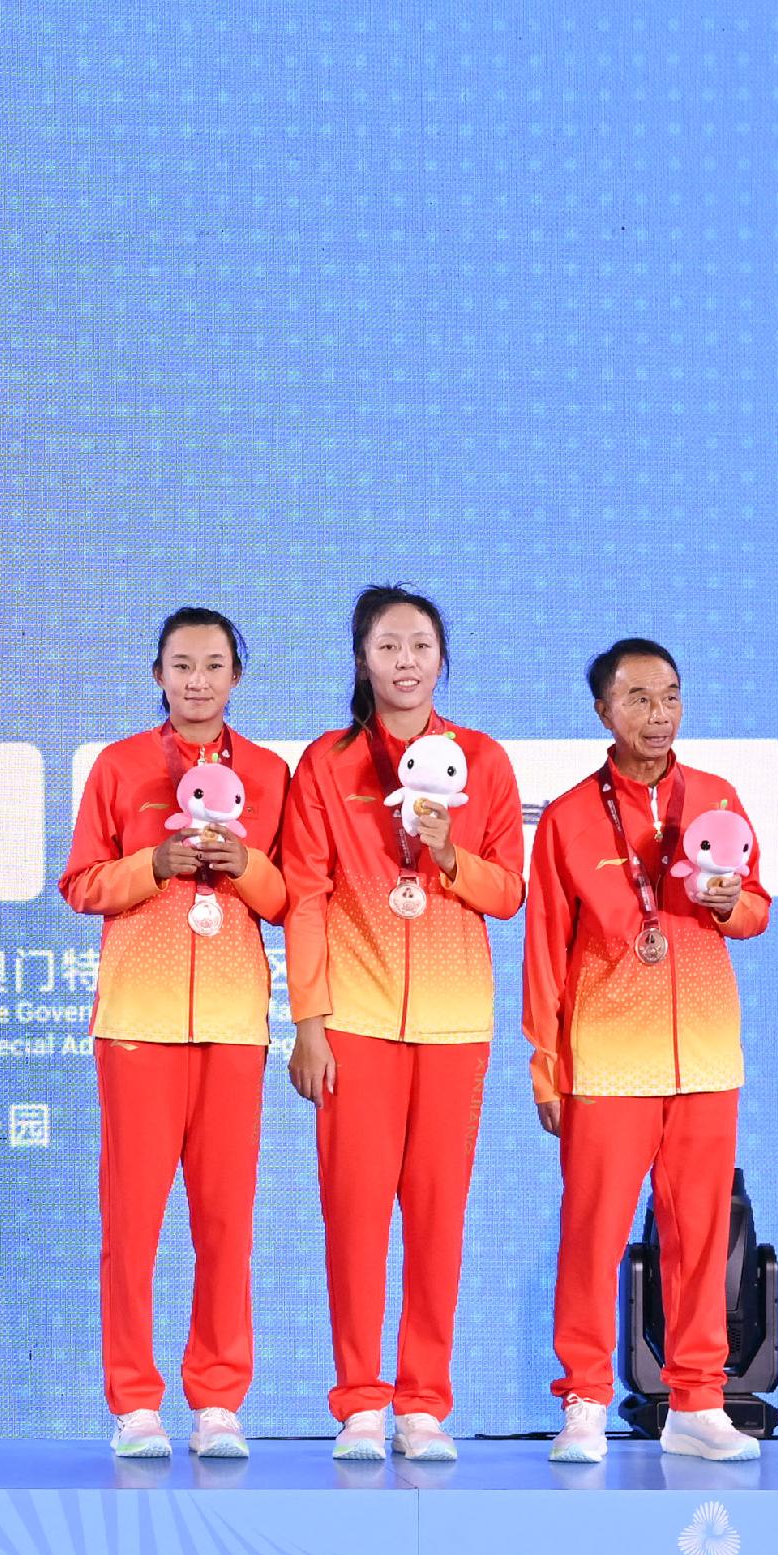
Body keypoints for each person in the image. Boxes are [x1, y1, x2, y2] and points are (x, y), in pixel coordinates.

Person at [275, 584, 522, 1463]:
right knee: (353, 1215)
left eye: (420, 645)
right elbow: (304, 895)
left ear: (442, 658)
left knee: (437, 1216)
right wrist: (309, 1021)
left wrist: (452, 853)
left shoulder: (482, 762)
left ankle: (423, 1403)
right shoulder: (326, 764)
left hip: (455, 1026)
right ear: (362, 660)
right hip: (357, 1020)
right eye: (388, 647)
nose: (406, 661)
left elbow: (508, 891)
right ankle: (361, 1404)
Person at [525, 638, 773, 1463]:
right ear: (602, 710)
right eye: (637, 698)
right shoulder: (565, 818)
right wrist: (546, 1062)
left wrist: (733, 904)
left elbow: (755, 911)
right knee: (592, 1234)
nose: (658, 715)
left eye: (670, 696)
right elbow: (544, 954)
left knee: (700, 1233)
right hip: (608, 1058)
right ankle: (585, 1401)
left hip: (704, 1054)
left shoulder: (717, 799)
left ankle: (698, 1402)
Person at [59, 607, 292, 1461]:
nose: (198, 681)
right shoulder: (121, 768)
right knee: (133, 1221)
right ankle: (134, 1402)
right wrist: (151, 866)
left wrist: (249, 868)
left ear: (238, 676)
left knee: (226, 1218)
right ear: (157, 673)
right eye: (182, 665)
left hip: (234, 1025)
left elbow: (294, 899)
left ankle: (220, 1399)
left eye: (214, 665)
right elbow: (81, 884)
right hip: (138, 1024)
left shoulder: (269, 774)